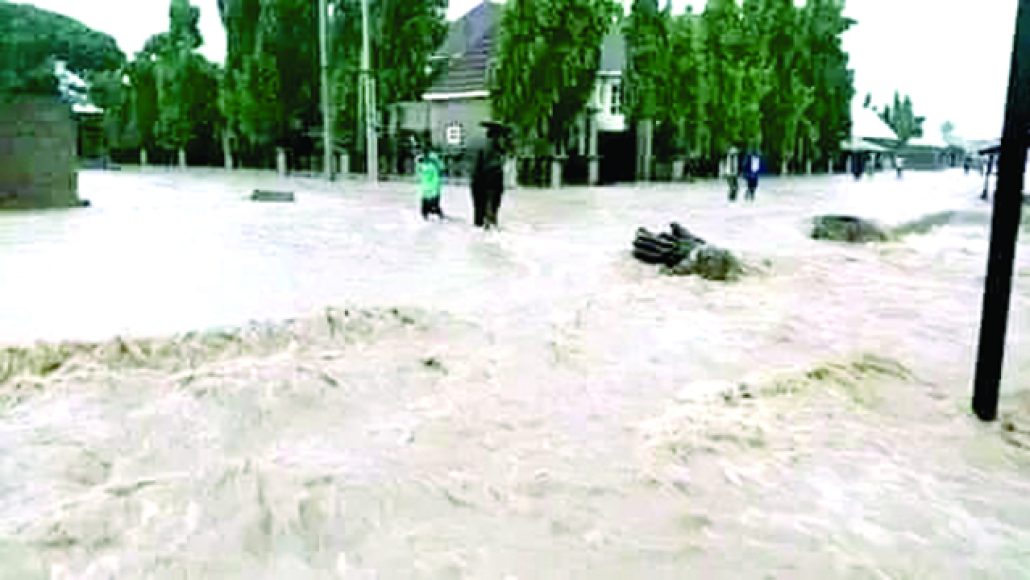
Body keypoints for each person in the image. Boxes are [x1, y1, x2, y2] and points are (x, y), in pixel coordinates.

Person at [471, 121, 508, 229]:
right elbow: (492, 168)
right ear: (496, 136)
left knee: (479, 214)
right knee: (489, 211)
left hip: (477, 181)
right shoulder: (492, 147)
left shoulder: (482, 145)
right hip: (488, 181)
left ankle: (480, 236)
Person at [416, 147, 445, 220]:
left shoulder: (434, 159)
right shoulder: (421, 160)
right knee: (426, 198)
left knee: (434, 198)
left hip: (434, 182)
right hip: (426, 183)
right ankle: (426, 212)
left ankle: (435, 210)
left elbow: (441, 167)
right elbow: (418, 170)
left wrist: (434, 162)